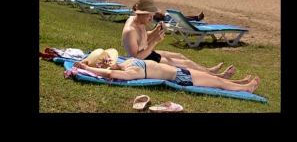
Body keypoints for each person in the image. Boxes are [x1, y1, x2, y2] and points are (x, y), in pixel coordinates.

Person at [122, 0, 235, 79]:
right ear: (139, 13)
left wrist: (155, 31)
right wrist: (154, 42)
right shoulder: (130, 31)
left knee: (180, 56)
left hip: (148, 54)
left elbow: (142, 38)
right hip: (145, 62)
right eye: (149, 16)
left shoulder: (139, 22)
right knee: (186, 65)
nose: (151, 20)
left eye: (152, 16)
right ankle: (218, 77)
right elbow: (135, 58)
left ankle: (209, 71)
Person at [74, 48, 260, 93]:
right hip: (179, 77)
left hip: (178, 71)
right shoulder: (128, 73)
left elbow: (95, 55)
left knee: (212, 79)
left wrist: (84, 62)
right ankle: (246, 89)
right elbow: (109, 74)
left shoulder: (127, 62)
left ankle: (238, 83)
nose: (112, 63)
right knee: (216, 83)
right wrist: (89, 68)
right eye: (110, 62)